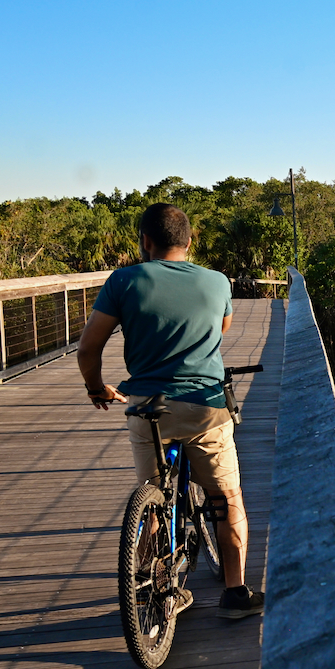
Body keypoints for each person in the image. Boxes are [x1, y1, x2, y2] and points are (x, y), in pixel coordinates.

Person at [77, 203, 265, 619]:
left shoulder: (124, 280)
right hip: (205, 408)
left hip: (147, 408)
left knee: (154, 498)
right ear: (190, 240)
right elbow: (222, 328)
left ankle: (152, 587)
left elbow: (89, 347)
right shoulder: (216, 282)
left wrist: (96, 388)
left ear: (145, 241)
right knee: (226, 496)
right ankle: (236, 594)